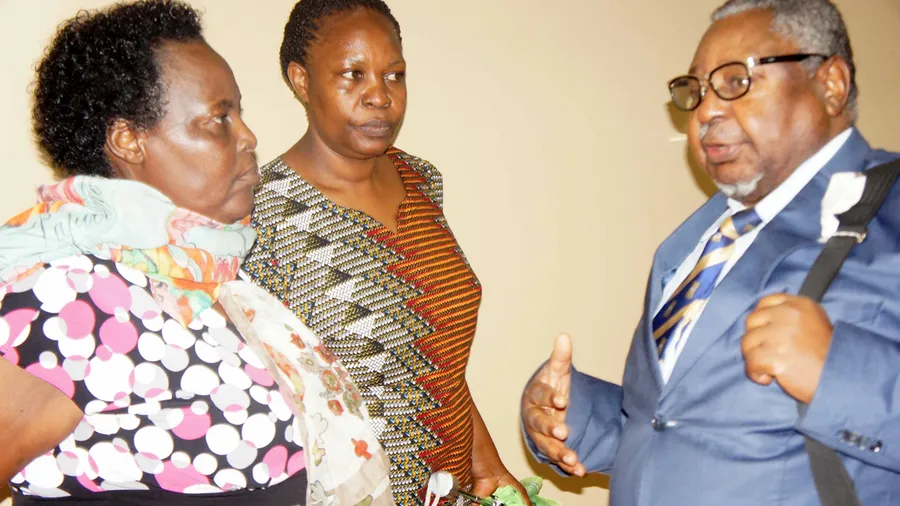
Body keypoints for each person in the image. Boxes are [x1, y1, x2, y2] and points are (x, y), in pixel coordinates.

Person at [0, 1, 382, 504]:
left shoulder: (206, 279)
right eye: (217, 120)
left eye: (239, 114)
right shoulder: (74, 297)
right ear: (128, 141)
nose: (248, 136)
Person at [521, 0, 900, 504]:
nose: (705, 112)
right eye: (696, 91)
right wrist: (574, 417)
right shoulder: (696, 241)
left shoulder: (889, 209)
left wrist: (838, 373)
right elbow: (675, 425)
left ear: (830, 83)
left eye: (735, 82)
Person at [240, 1, 526, 504]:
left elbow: (434, 358)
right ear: (301, 81)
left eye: (394, 75)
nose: (380, 96)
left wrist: (488, 467)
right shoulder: (258, 215)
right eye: (353, 75)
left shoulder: (420, 181)